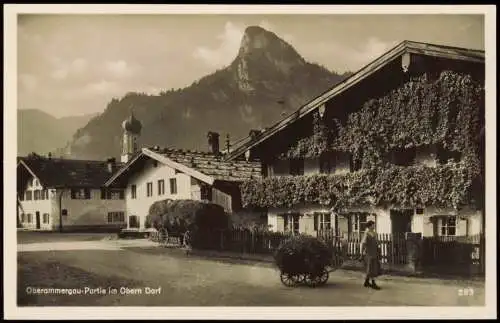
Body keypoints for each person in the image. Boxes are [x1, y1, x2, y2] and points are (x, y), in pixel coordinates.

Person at [360, 220, 381, 290]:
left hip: (374, 252)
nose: (374, 226)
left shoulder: (375, 233)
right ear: (369, 226)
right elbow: (363, 244)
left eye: (374, 225)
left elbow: (377, 243)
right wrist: (361, 254)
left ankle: (366, 282)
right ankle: (373, 283)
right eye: (373, 225)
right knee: (371, 268)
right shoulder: (366, 233)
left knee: (373, 267)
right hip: (369, 253)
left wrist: (378, 246)